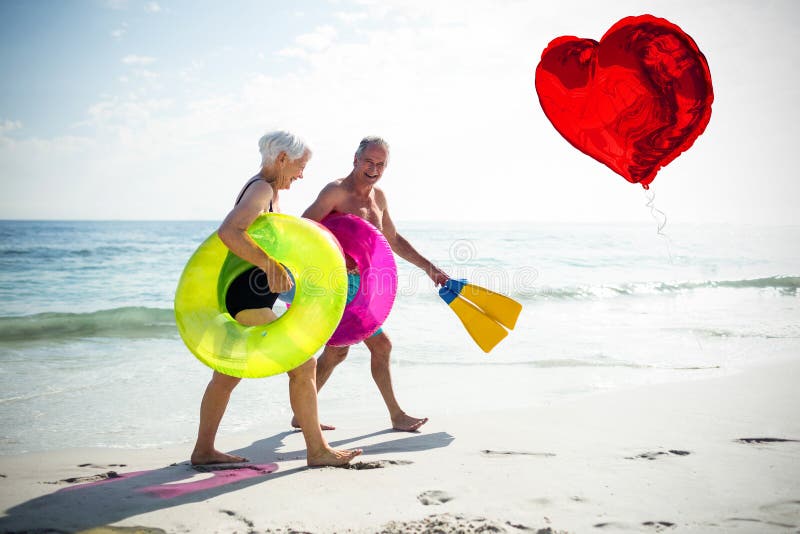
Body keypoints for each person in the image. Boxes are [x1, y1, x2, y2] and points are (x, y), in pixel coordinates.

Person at [191, 130, 362, 467]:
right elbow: (229, 231)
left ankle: (203, 450)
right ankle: (317, 450)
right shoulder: (261, 189)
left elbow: (273, 241)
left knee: (227, 374)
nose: (301, 174)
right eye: (300, 166)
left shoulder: (263, 188)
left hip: (249, 296)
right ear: (282, 158)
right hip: (247, 298)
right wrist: (268, 264)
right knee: (305, 363)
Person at [298, 136, 449, 432]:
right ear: (355, 160)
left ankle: (301, 410)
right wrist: (339, 259)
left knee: (338, 351)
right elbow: (303, 231)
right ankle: (396, 415)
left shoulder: (378, 198)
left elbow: (391, 240)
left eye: (381, 164)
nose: (374, 168)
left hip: (363, 288)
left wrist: (428, 268)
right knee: (380, 345)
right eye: (369, 161)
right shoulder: (336, 192)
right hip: (335, 285)